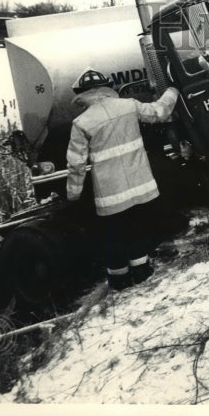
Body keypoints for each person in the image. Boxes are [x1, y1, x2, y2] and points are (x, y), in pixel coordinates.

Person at [65, 68, 180, 291]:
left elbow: (76, 163)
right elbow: (159, 112)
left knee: (114, 234)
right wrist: (173, 90)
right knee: (137, 226)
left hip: (111, 193)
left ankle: (119, 281)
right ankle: (142, 272)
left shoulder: (81, 122)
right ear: (108, 88)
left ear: (82, 95)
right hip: (140, 184)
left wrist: (73, 193)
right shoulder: (129, 105)